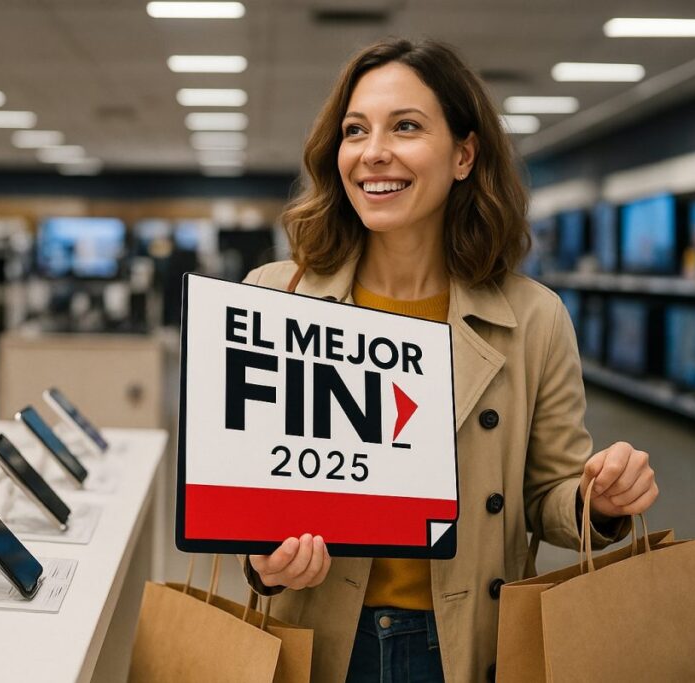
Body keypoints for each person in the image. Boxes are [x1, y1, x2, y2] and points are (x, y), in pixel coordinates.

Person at [240, 39, 658, 683]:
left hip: (463, 643)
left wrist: (601, 499)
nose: (374, 150)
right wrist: (261, 562)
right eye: (356, 130)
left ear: (464, 154)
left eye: (405, 126)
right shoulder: (274, 295)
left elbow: (548, 493)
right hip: (316, 632)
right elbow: (241, 490)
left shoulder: (534, 318)